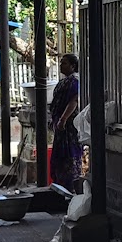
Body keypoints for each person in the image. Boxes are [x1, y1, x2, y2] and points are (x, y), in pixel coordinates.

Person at [49, 53, 83, 190]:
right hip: (60, 125)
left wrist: (63, 119)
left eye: (64, 63)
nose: (61, 65)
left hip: (68, 125)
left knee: (69, 155)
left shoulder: (74, 81)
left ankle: (70, 186)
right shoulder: (65, 81)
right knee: (60, 156)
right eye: (61, 63)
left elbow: (73, 101)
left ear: (73, 66)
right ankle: (62, 185)